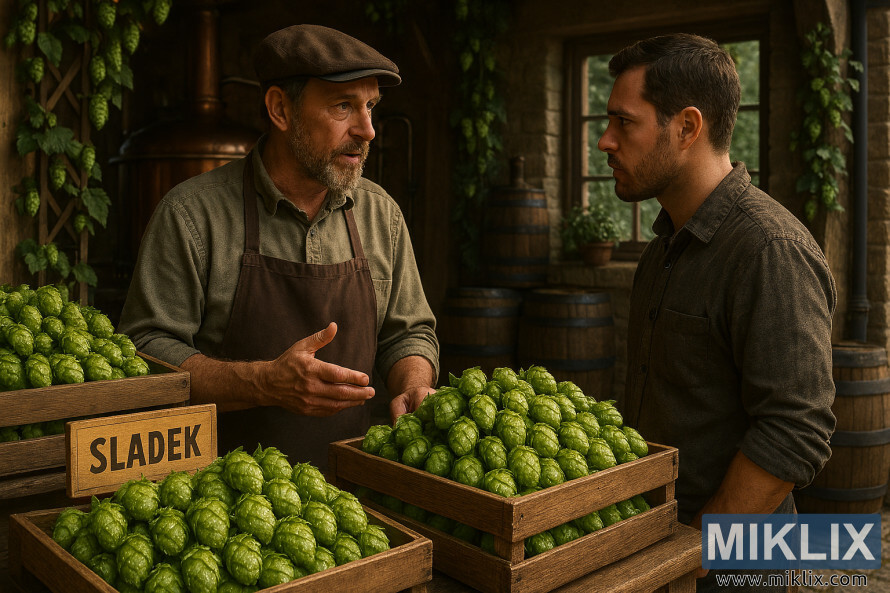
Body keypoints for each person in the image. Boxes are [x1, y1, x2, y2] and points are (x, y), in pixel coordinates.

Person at [118, 24, 439, 470]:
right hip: (221, 498)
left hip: (352, 505)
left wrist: (413, 383)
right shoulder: (192, 215)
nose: (367, 129)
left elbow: (408, 333)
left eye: (370, 107)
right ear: (280, 109)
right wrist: (263, 383)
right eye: (343, 106)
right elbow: (146, 349)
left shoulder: (380, 215)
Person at [597, 33, 836, 591]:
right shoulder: (661, 250)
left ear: (686, 127)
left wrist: (700, 545)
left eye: (623, 122)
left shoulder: (769, 250)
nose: (605, 141)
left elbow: (797, 428)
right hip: (659, 550)